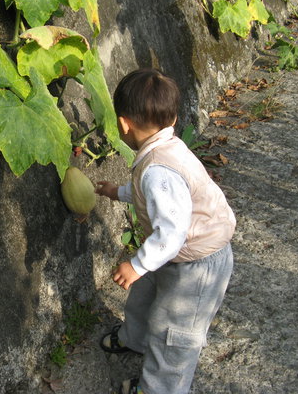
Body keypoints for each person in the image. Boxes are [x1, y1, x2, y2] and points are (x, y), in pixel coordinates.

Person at [95, 68, 235, 394]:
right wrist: (118, 192)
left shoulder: (159, 169)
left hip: (198, 264)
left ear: (123, 124)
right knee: (143, 297)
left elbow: (170, 233)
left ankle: (159, 389)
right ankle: (136, 339)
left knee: (175, 335)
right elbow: (155, 198)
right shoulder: (162, 148)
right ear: (172, 118)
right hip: (173, 252)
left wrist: (137, 264)